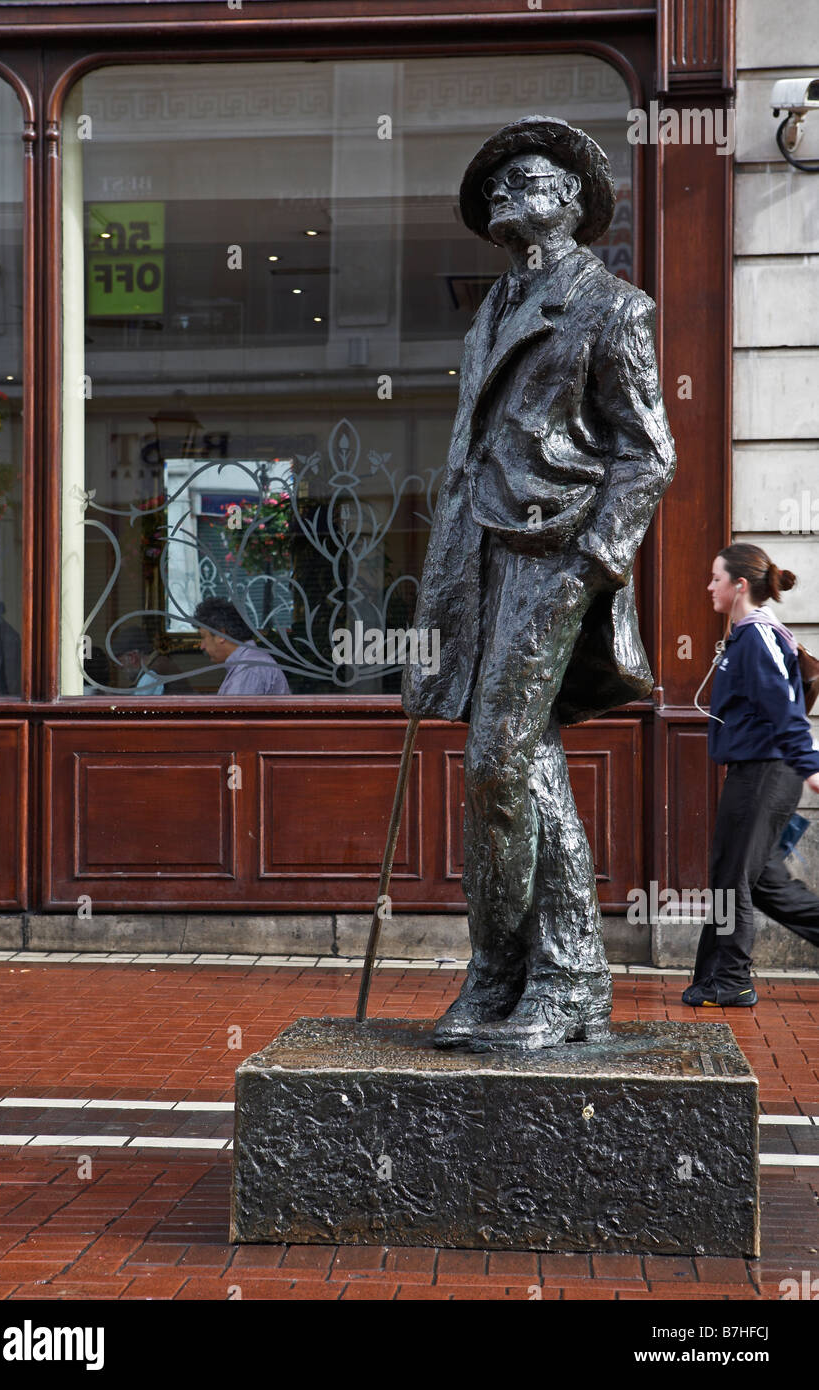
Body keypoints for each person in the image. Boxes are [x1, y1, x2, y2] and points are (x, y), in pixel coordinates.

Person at [402, 116, 676, 1049]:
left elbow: (649, 456)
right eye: (495, 185)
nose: (503, 193)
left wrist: (595, 563)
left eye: (524, 179)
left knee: (496, 763)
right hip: (480, 561)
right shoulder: (490, 312)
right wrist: (439, 585)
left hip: (555, 554)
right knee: (522, 764)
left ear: (571, 202)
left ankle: (509, 972)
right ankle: (551, 978)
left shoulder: (613, 307)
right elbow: (468, 455)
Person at [683, 543, 819, 1008]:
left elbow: (785, 709)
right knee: (762, 884)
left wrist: (810, 765)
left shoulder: (759, 636)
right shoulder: (747, 635)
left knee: (731, 880)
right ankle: (714, 976)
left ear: (739, 585)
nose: (709, 587)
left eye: (716, 578)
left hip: (765, 772)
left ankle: (731, 981)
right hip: (759, 770)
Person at [193, 597, 290, 696]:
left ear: (221, 635)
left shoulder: (249, 669)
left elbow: (232, 710)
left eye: (203, 637)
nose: (202, 646)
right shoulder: (247, 664)